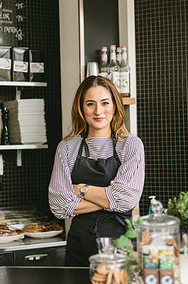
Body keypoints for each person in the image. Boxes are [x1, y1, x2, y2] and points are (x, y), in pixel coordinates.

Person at [48, 75, 145, 266]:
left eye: (105, 103)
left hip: (119, 244)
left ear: (115, 105)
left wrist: (81, 189)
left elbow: (127, 200)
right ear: (81, 108)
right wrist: (111, 198)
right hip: (78, 244)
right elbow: (59, 206)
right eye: (90, 104)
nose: (98, 111)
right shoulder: (67, 147)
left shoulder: (130, 145)